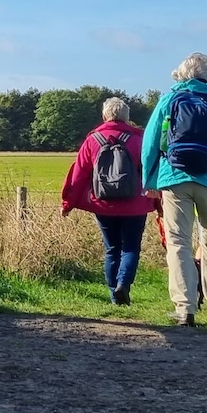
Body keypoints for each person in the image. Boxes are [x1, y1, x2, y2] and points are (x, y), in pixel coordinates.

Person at [140, 52, 207, 327]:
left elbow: (150, 144)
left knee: (178, 243)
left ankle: (185, 308)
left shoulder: (169, 100)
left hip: (174, 178)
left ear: (181, 74)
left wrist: (149, 181)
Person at [60, 96, 159, 306]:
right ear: (127, 117)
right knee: (131, 248)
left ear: (105, 116)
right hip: (135, 205)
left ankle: (115, 295)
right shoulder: (139, 140)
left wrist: (68, 203)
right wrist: (159, 203)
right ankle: (124, 284)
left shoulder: (92, 140)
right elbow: (152, 172)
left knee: (112, 249)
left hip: (103, 203)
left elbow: (78, 175)